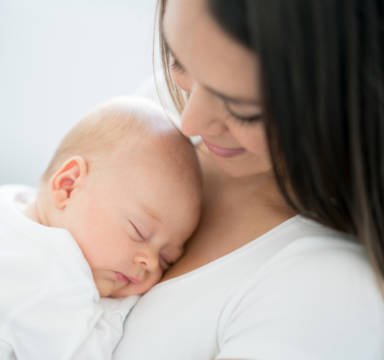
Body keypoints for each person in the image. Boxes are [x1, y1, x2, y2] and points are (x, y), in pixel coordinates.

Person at [114, 1, 384, 359]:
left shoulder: (325, 296)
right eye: (179, 60)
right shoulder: (162, 106)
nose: (189, 123)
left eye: (244, 112)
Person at [0, 96, 202, 360]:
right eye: (138, 231)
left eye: (167, 259)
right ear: (68, 186)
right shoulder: (53, 279)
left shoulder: (2, 202)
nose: (149, 262)